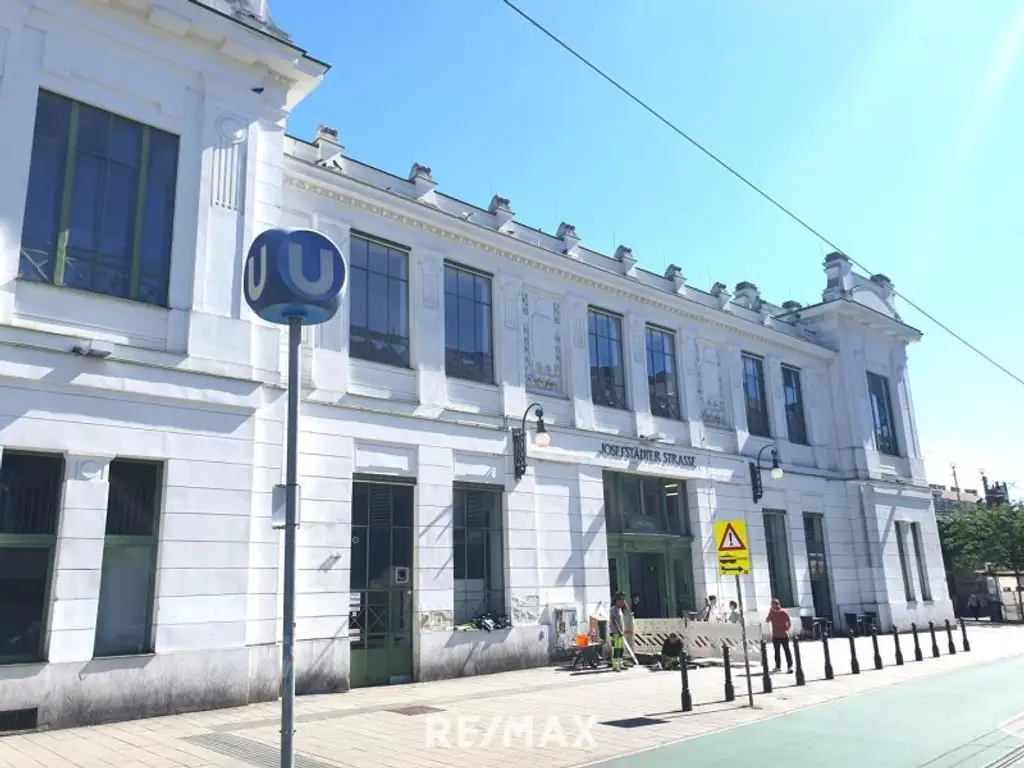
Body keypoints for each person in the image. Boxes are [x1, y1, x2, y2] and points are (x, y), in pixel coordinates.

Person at [765, 599, 793, 674]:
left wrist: (770, 612)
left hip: (776, 635)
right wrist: (787, 629)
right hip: (784, 634)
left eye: (772, 604)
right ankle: (790, 666)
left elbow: (767, 620)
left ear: (773, 605)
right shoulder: (784, 611)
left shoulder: (772, 612)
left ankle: (778, 667)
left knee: (777, 651)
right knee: (787, 651)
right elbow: (789, 621)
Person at [609, 592, 628, 671]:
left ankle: (620, 664)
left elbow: (627, 609)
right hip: (616, 633)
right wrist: (619, 630)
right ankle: (615, 666)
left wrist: (625, 605)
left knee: (620, 649)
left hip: (620, 633)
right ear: (617, 600)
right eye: (622, 600)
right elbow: (614, 621)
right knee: (616, 649)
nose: (623, 601)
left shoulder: (620, 609)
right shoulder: (614, 609)